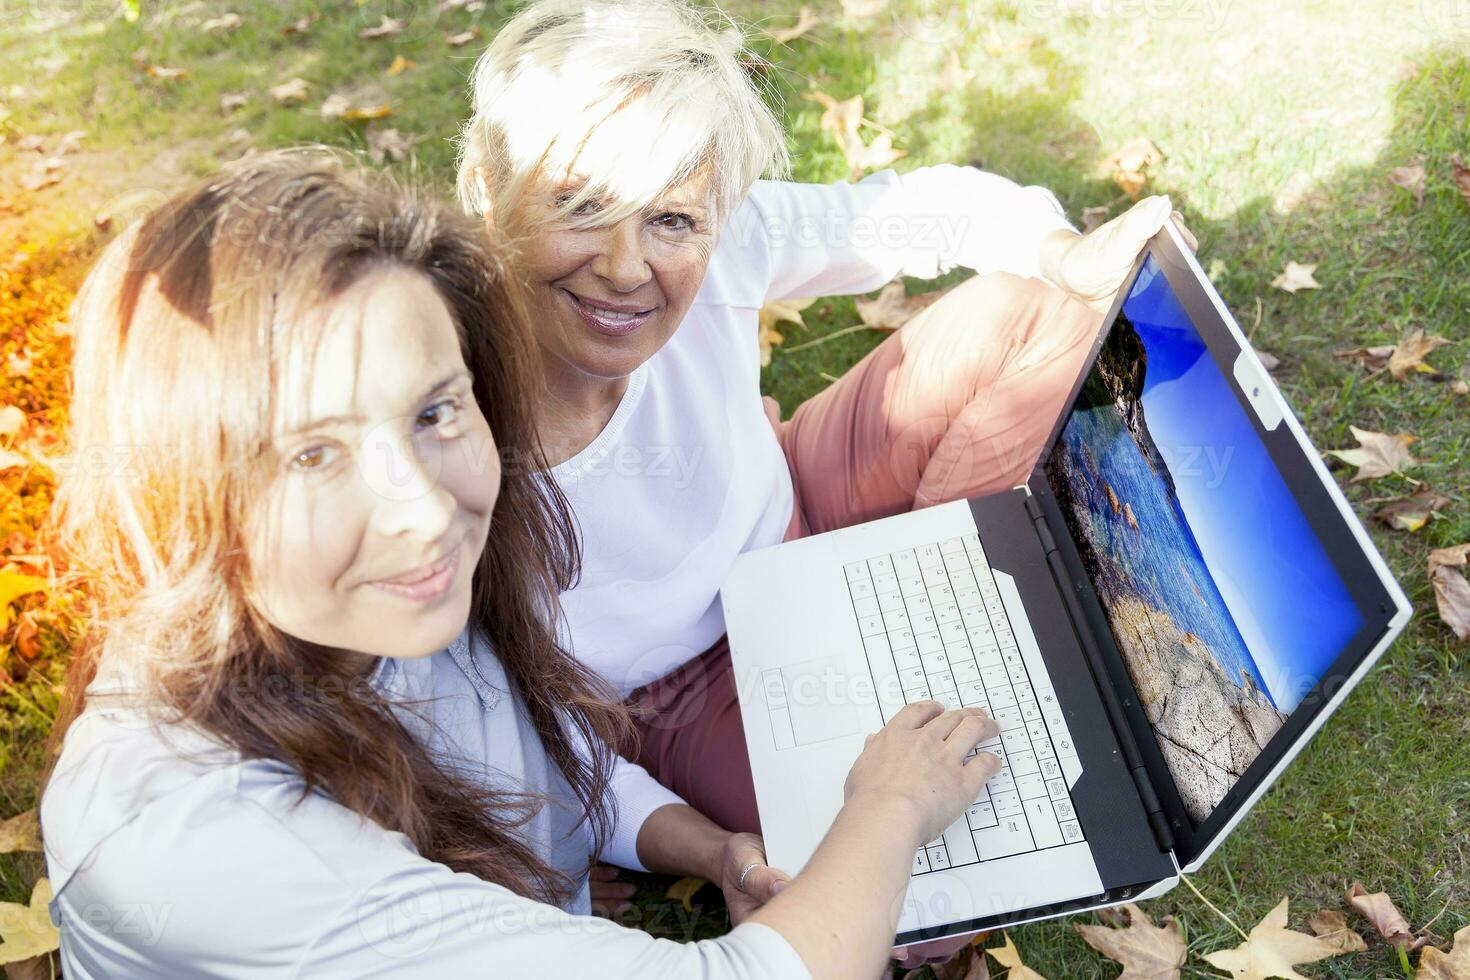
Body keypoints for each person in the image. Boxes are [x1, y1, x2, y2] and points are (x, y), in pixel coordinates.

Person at [38, 148, 1005, 978]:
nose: (423, 510)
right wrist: (893, 802)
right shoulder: (191, 841)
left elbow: (533, 747)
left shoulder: (367, 609)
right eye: (311, 454)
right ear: (183, 486)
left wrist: (712, 851)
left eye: (432, 411)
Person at [454, 0, 1197, 965]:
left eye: (670, 218)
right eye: (581, 205)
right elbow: (524, 737)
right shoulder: (440, 427)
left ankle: (939, 599)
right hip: (673, 690)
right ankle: (912, 647)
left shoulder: (716, 233)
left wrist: (1066, 251)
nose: (625, 266)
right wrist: (703, 844)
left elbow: (918, 212)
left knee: (1041, 301)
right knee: (931, 902)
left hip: (797, 496)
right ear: (484, 186)